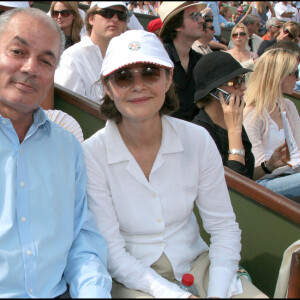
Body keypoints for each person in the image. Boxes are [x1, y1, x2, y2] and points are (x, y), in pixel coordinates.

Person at [82, 29, 267, 299]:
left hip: (197, 262)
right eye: (123, 77)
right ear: (108, 88)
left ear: (168, 79)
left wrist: (216, 293)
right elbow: (113, 253)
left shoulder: (197, 139)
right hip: (134, 275)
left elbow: (223, 227)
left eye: (150, 72)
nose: (138, 85)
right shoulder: (92, 154)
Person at [0, 7, 111, 298]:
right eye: (17, 51)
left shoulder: (67, 147)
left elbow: (82, 241)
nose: (30, 68)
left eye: (46, 61)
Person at [243, 48, 300, 199]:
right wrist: (290, 164)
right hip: (265, 183)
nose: (297, 79)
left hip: (291, 176)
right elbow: (257, 169)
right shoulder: (252, 114)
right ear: (278, 76)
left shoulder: (288, 106)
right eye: (294, 73)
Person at [54, 1, 129, 103]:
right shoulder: (72, 58)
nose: (115, 19)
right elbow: (71, 112)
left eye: (121, 15)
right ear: (91, 18)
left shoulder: (127, 57)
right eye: (107, 13)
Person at [158, 1, 206, 122]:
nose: (201, 20)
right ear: (177, 24)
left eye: (200, 15)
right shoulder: (159, 60)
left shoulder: (200, 60)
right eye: (194, 16)